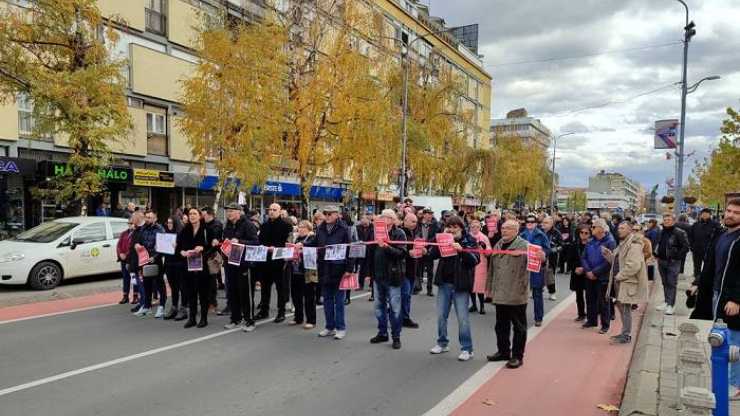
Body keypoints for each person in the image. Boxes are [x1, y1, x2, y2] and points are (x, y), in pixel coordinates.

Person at [689, 198, 740, 400]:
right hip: (717, 294)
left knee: (735, 341)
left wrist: (737, 299)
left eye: (736, 212)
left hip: (732, 299)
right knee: (722, 338)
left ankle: (736, 384)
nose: (730, 214)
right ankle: (726, 379)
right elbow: (711, 264)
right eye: (729, 210)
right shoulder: (722, 235)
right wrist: (698, 282)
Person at [428, 216, 479, 361]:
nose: (452, 230)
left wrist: (462, 250)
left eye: (455, 227)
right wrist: (436, 244)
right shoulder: (443, 238)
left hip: (461, 284)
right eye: (449, 227)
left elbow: (475, 261)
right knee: (441, 315)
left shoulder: (469, 240)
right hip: (444, 282)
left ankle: (467, 349)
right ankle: (442, 343)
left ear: (461, 228)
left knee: (462, 318)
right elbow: (432, 256)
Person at [302, 205, 353, 340]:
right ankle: (329, 326)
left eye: (330, 213)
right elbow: (314, 243)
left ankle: (340, 328)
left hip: (339, 269)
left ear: (337, 215)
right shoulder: (321, 228)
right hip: (324, 268)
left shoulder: (344, 229)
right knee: (327, 300)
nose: (328, 216)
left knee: (339, 301)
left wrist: (349, 269)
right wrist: (303, 245)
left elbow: (350, 250)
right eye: (326, 213)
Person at [486, 219, 530, 368]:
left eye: (508, 228)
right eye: (503, 228)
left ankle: (517, 356)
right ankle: (503, 351)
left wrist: (540, 256)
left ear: (516, 230)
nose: (504, 231)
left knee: (519, 327)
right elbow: (492, 268)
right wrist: (489, 288)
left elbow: (540, 259)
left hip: (516, 292)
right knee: (501, 325)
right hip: (500, 292)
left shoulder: (524, 245)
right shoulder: (498, 244)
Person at [605, 222, 649, 344]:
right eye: (619, 228)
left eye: (622, 228)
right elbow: (618, 262)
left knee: (625, 309)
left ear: (630, 230)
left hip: (626, 282)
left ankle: (626, 335)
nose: (619, 230)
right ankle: (624, 333)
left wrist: (619, 276)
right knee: (622, 307)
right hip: (621, 281)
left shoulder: (633, 245)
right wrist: (608, 256)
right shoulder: (623, 244)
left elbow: (634, 265)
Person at [370, 209, 408, 350]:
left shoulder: (399, 233)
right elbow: (370, 252)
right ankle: (382, 332)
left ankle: (396, 337)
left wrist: (386, 246)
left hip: (393, 276)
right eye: (381, 217)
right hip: (378, 275)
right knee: (379, 307)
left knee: (395, 309)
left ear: (392, 220)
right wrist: (368, 273)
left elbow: (401, 253)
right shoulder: (375, 232)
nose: (382, 219)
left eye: (385, 217)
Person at [222, 204, 259, 332]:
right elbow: (226, 241)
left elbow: (256, 242)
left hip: (244, 264)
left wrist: (240, 242)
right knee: (232, 292)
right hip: (230, 263)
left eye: (231, 211)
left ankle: (249, 321)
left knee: (245, 293)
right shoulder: (227, 225)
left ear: (239, 212)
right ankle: (235, 318)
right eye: (227, 211)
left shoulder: (248, 224)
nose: (229, 213)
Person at [256, 203, 293, 322]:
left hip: (279, 261)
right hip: (265, 261)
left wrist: (276, 248)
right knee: (265, 288)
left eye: (274, 210)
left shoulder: (286, 226)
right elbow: (260, 241)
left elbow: (288, 244)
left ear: (280, 211)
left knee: (280, 288)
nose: (271, 211)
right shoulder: (264, 225)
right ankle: (264, 311)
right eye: (270, 209)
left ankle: (281, 312)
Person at [177, 208, 212, 328]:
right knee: (190, 293)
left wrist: (203, 248)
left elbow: (213, 247)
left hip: (203, 267)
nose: (192, 216)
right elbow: (178, 247)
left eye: (194, 214)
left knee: (203, 294)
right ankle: (192, 318)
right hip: (188, 267)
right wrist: (182, 252)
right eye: (190, 214)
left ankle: (203, 318)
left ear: (200, 216)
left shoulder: (207, 229)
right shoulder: (184, 230)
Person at [581, 218, 616, 334]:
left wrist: (595, 272)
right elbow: (584, 257)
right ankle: (591, 320)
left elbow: (608, 262)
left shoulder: (610, 242)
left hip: (602, 276)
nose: (592, 229)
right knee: (590, 299)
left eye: (594, 227)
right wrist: (588, 270)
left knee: (603, 301)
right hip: (589, 275)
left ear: (601, 229)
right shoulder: (591, 241)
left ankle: (605, 325)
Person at [653, 213, 690, 316]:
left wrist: (677, 257)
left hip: (673, 262)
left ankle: (671, 305)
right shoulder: (661, 232)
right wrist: (655, 253)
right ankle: (666, 302)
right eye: (665, 220)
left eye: (669, 220)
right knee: (664, 282)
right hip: (661, 260)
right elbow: (657, 243)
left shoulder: (679, 232)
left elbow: (686, 247)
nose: (666, 222)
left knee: (671, 283)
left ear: (673, 221)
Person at [134, 210, 166, 318]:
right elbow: (139, 241)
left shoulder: (160, 229)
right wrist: (137, 245)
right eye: (146, 217)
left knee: (159, 284)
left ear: (155, 218)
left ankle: (162, 307)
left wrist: (155, 257)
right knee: (146, 284)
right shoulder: (143, 228)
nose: (148, 219)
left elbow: (162, 247)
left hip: (156, 260)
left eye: (150, 217)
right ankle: (147, 307)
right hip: (144, 260)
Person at [519, 215, 550, 326]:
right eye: (528, 221)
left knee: (537, 293)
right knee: (521, 293)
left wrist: (543, 254)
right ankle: (520, 318)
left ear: (536, 223)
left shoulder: (541, 235)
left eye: (532, 221)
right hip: (523, 267)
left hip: (536, 267)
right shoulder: (521, 235)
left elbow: (547, 249)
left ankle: (538, 318)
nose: (530, 223)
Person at [290, 220, 318, 329]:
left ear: (309, 229)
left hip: (307, 271)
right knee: (296, 296)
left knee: (309, 297)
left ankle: (311, 320)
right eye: (299, 227)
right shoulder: (297, 238)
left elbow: (312, 245)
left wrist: (303, 245)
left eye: (303, 227)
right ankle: (298, 317)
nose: (300, 229)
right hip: (295, 270)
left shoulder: (311, 238)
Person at [163, 216, 188, 321]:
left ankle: (183, 308)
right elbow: (163, 250)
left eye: (171, 223)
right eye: (168, 223)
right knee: (173, 288)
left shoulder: (182, 234)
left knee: (182, 287)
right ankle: (174, 307)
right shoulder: (166, 234)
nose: (169, 225)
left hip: (180, 263)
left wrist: (177, 246)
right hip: (169, 264)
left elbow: (185, 249)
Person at [201, 207, 224, 313]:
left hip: (212, 255)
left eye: (204, 215)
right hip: (203, 254)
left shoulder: (216, 225)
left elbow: (215, 241)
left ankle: (212, 303)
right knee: (204, 280)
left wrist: (207, 253)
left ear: (210, 215)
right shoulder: (204, 224)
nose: (202, 217)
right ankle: (206, 301)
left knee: (212, 280)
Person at [689, 208, 721, 279]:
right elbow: (690, 236)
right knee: (697, 266)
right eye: (703, 214)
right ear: (701, 215)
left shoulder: (715, 224)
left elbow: (719, 236)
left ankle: (708, 280)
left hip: (709, 250)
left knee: (709, 267)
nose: (704, 215)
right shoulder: (696, 224)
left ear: (710, 215)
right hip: (697, 250)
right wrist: (692, 246)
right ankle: (697, 279)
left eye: (706, 214)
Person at [401, 212, 420, 328]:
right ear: (405, 221)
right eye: (412, 221)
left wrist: (422, 250)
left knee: (407, 296)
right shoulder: (401, 233)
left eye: (416, 222)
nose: (415, 224)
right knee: (405, 295)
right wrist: (408, 253)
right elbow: (397, 250)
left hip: (412, 269)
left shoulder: (413, 233)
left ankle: (404, 317)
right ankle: (404, 318)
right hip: (403, 270)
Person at [468, 219, 491, 314]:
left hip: (480, 264)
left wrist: (484, 248)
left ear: (480, 227)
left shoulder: (484, 237)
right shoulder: (467, 236)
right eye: (473, 226)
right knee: (470, 285)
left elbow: (489, 251)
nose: (475, 228)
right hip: (469, 263)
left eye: (477, 227)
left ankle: (482, 306)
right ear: (470, 227)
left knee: (480, 286)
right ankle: (474, 305)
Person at [570, 224, 591, 322]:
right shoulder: (574, 244)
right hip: (577, 273)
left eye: (586, 233)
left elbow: (593, 260)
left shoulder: (592, 245)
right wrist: (575, 268)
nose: (583, 235)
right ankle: (581, 314)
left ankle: (591, 314)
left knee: (590, 295)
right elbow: (569, 259)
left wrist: (584, 268)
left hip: (588, 273)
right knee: (579, 295)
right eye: (581, 233)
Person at [417, 207, 439, 296]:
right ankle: (417, 286)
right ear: (424, 214)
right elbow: (416, 234)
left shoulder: (435, 224)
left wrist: (428, 243)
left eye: (431, 213)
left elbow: (436, 236)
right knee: (418, 268)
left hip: (429, 249)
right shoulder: (418, 224)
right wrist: (420, 243)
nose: (430, 215)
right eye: (428, 213)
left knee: (430, 270)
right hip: (419, 248)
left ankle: (429, 289)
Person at [541, 216, 562, 301]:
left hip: (551, 257)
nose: (544, 224)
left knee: (550, 276)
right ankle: (536, 290)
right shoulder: (539, 231)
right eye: (543, 222)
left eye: (546, 223)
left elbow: (561, 245)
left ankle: (552, 292)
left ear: (551, 224)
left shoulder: (556, 233)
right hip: (539, 256)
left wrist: (554, 249)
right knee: (537, 274)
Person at [116, 217, 135, 304]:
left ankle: (135, 295)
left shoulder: (136, 233)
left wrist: (126, 255)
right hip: (123, 260)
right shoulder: (123, 233)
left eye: (131, 223)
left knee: (134, 278)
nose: (130, 225)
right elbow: (119, 245)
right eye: (129, 223)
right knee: (125, 278)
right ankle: (125, 296)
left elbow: (132, 247)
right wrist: (120, 254)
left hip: (131, 259)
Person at [355, 213, 375, 292]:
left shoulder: (373, 227)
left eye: (365, 219)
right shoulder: (358, 228)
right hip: (361, 250)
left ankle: (372, 285)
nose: (363, 221)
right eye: (362, 220)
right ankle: (360, 284)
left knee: (371, 268)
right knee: (362, 268)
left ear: (368, 219)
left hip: (371, 250)